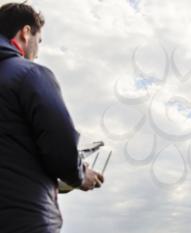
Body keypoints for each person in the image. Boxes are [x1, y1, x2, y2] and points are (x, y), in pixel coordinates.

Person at [0, 2, 104, 233]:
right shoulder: (29, 74)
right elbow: (61, 148)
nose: (37, 51)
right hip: (23, 221)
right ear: (26, 33)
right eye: (39, 41)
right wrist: (79, 175)